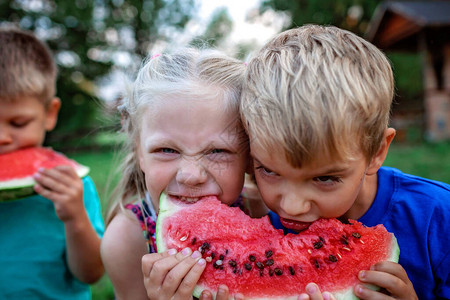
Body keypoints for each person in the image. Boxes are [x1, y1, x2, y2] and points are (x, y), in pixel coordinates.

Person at [240, 24, 450, 300]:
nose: (291, 206)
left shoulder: (438, 216)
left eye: (325, 178)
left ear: (376, 152)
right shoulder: (252, 218)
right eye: (267, 170)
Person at [101, 48, 264, 300]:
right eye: (166, 149)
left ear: (249, 154)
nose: (191, 175)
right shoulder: (125, 241)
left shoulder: (260, 212)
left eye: (218, 151)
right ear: (139, 152)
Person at [0, 26, 104, 299]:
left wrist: (76, 218)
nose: (2, 137)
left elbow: (92, 273)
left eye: (18, 123)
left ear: (49, 113)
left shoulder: (73, 186)